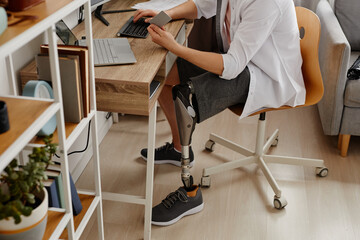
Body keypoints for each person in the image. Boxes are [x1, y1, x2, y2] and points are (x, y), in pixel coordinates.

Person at [134, 0, 305, 226]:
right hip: (241, 59)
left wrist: (176, 47)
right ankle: (178, 149)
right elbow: (202, 5)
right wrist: (165, 14)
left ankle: (190, 192)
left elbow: (232, 66)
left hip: (265, 75)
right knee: (164, 73)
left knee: (185, 94)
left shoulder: (268, 3)